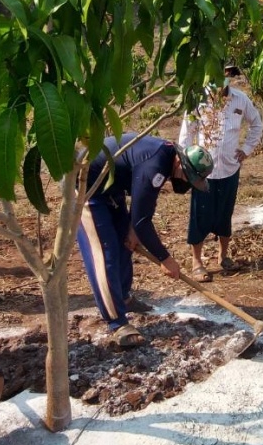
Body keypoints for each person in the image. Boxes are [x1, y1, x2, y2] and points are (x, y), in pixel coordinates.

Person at [78, 134, 213, 348]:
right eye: (188, 177)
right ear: (181, 163)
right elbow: (143, 221)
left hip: (111, 188)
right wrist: (165, 258)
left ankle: (122, 298)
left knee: (126, 243)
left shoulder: (164, 159)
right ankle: (117, 323)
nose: (186, 182)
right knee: (106, 255)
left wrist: (133, 229)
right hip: (88, 188)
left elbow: (143, 209)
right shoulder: (156, 164)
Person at [178, 75, 263, 282]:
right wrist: (187, 163)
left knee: (225, 213)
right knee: (200, 216)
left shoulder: (240, 99)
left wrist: (246, 149)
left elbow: (256, 125)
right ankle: (197, 262)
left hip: (229, 168)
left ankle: (223, 256)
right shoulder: (197, 101)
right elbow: (186, 134)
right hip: (203, 172)